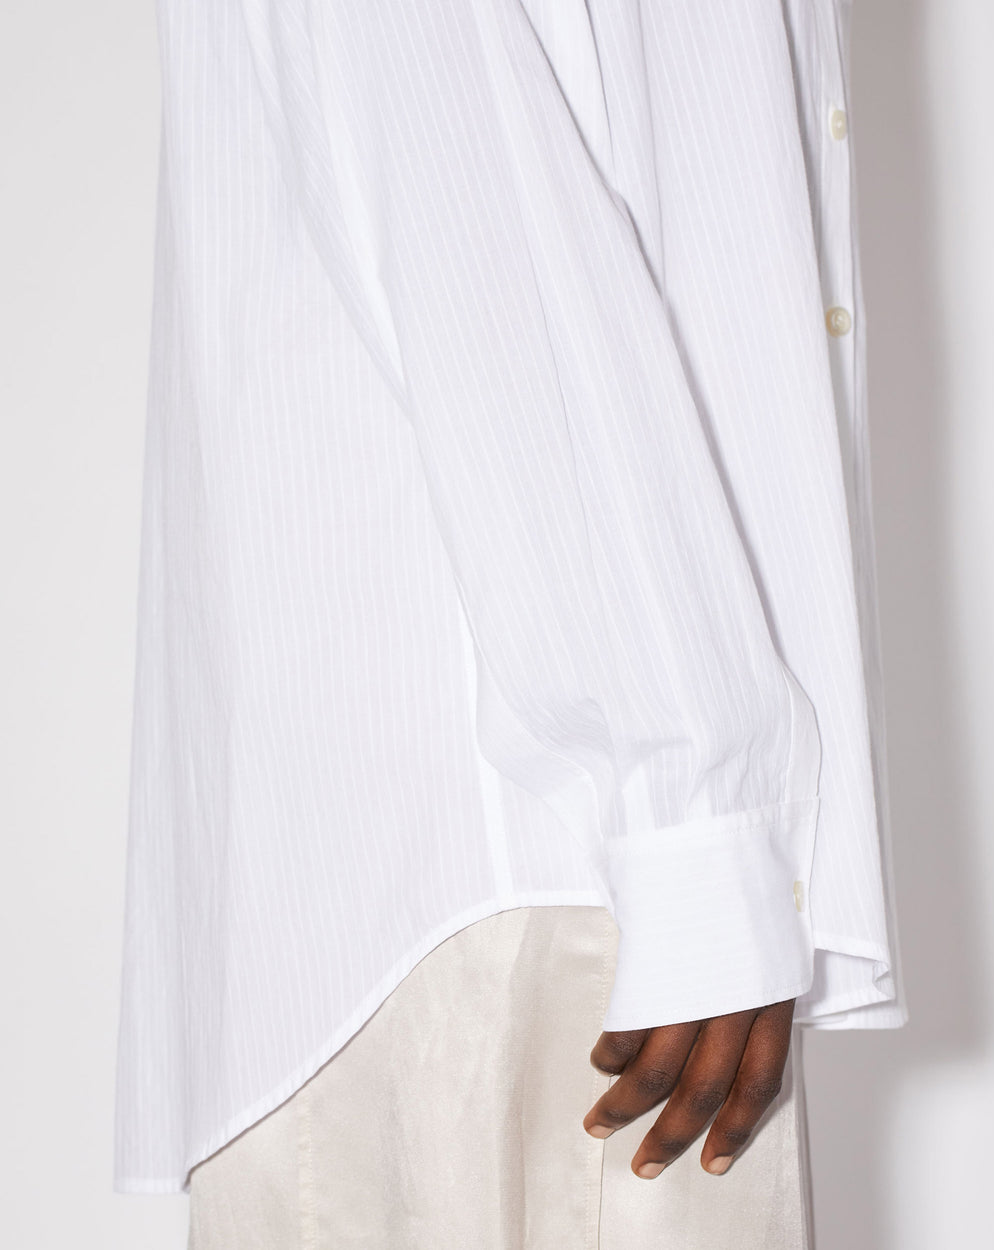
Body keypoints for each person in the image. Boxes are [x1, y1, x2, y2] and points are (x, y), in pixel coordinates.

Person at [114, 1, 907, 1245]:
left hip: (580, 820)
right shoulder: (662, 811)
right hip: (527, 842)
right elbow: (461, 185)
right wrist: (691, 808)